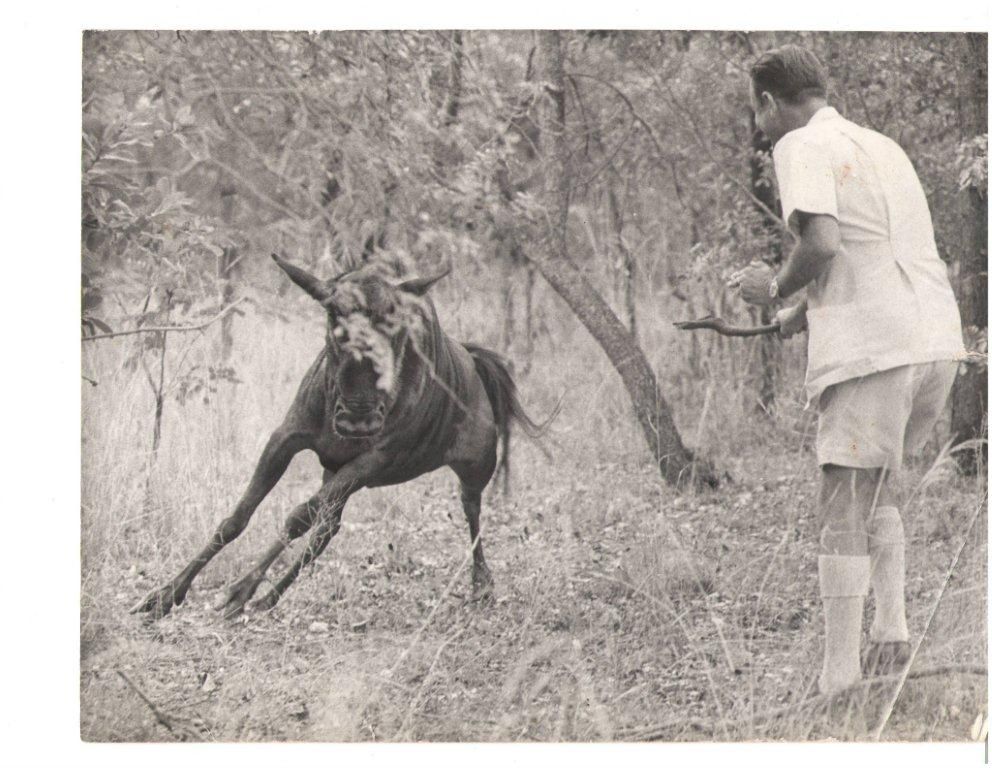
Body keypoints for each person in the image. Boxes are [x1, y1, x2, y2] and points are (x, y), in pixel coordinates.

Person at [728, 44, 966, 696]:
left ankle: (839, 685)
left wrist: (772, 287)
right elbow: (870, 252)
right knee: (880, 489)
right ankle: (891, 638)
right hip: (934, 346)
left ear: (772, 103)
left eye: (759, 113)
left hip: (873, 352)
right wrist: (800, 315)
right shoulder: (882, 146)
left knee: (842, 500)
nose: (759, 127)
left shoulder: (800, 146)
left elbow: (825, 242)